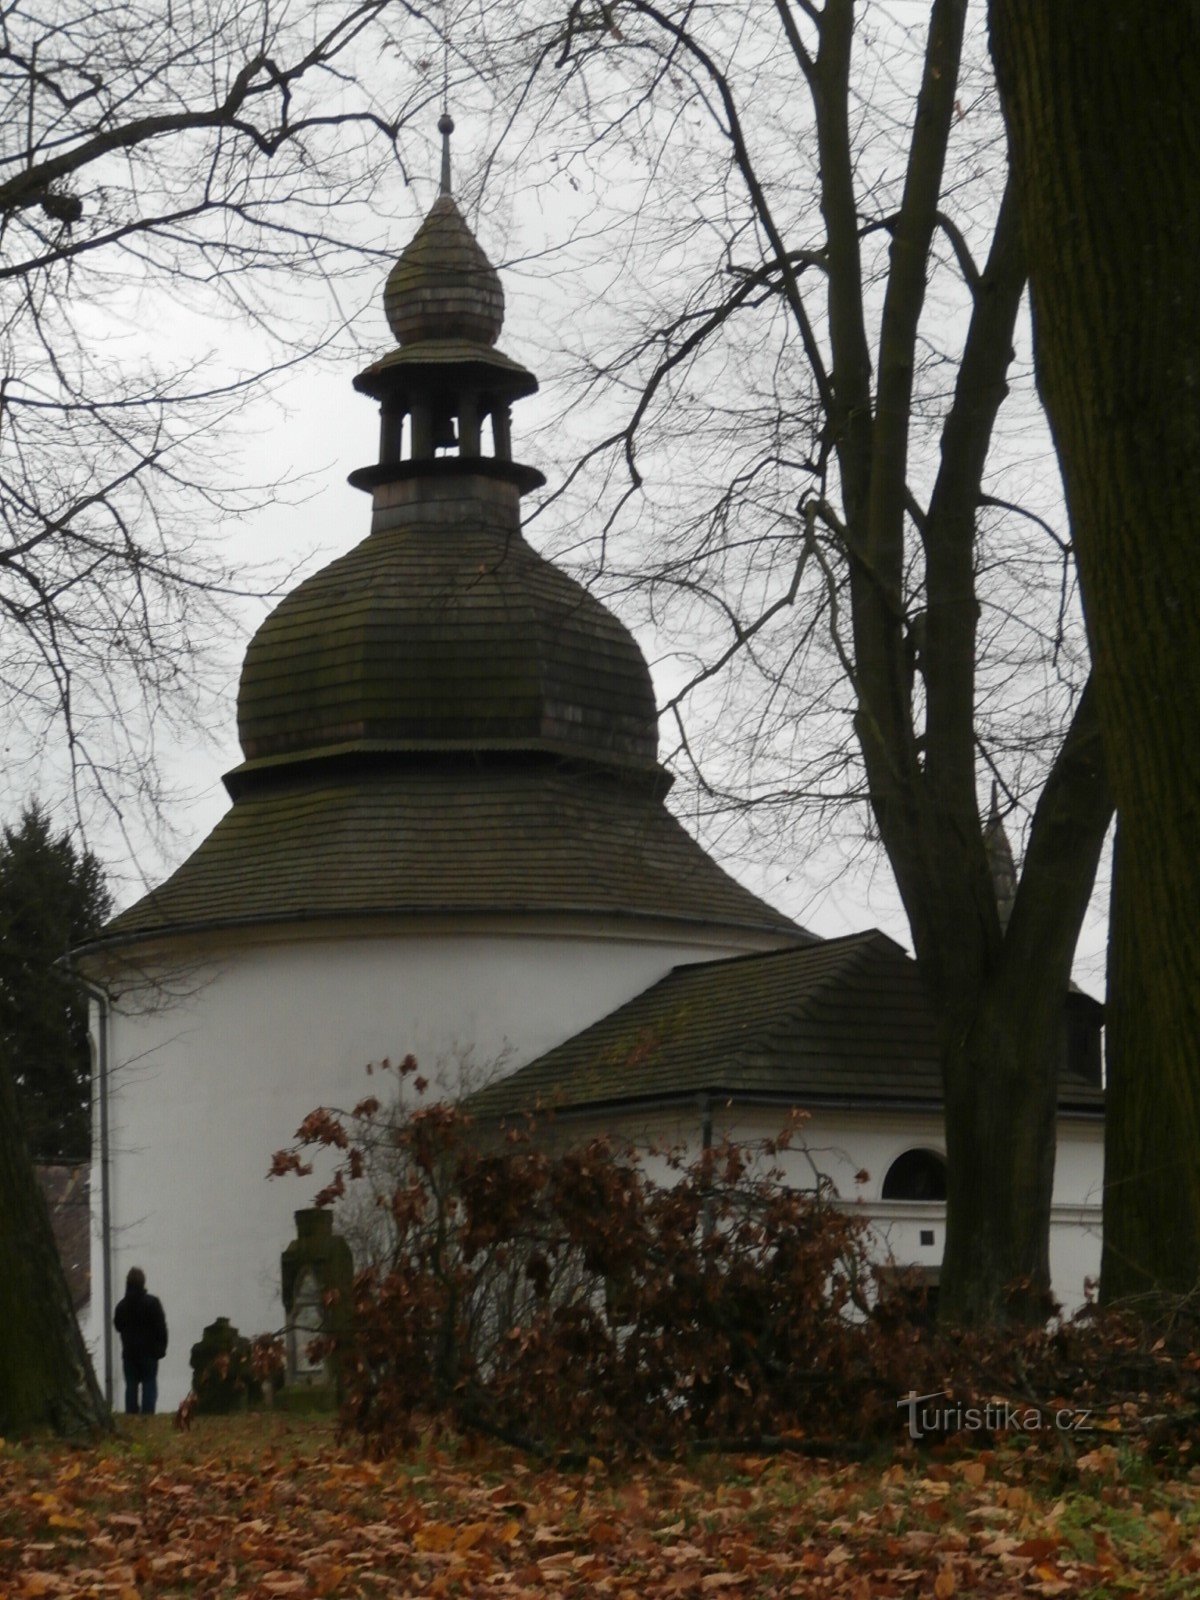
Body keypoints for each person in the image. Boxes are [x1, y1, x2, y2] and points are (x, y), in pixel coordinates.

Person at [113, 1266, 168, 1415]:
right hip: (149, 1352)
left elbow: (118, 1326)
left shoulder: (121, 1306)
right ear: (143, 1283)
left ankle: (131, 1414)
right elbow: (161, 1327)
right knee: (149, 1383)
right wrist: (161, 1348)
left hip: (129, 1353)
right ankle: (148, 1414)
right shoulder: (152, 1303)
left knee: (131, 1385)